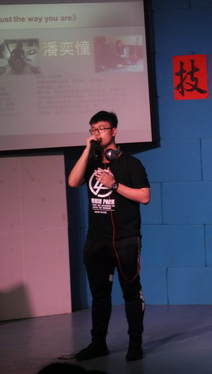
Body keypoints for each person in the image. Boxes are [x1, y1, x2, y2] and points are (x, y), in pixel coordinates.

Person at [68, 111, 150, 362]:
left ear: (114, 131)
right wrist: (87, 150)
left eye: (101, 129)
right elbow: (73, 182)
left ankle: (135, 344)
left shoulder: (131, 164)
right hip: (96, 240)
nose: (97, 133)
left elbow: (144, 196)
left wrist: (114, 185)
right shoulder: (91, 162)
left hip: (125, 239)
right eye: (93, 129)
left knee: (131, 293)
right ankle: (98, 344)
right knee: (100, 295)